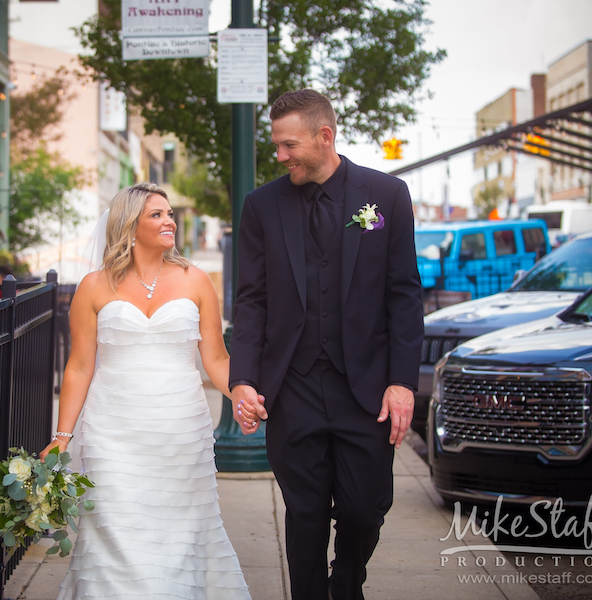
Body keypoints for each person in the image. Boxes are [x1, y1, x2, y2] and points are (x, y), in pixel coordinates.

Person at [230, 89, 424, 600]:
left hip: (366, 390)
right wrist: (244, 379)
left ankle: (347, 582)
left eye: (289, 144)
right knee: (307, 512)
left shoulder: (386, 195)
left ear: (325, 136)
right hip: (291, 389)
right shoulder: (262, 206)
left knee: (365, 508)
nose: (281, 156)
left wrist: (403, 383)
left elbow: (404, 295)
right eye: (276, 146)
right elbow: (251, 301)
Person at [40, 182, 251, 599]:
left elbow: (217, 359)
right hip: (112, 432)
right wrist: (62, 437)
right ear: (129, 225)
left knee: (180, 536)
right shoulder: (93, 287)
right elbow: (80, 366)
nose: (169, 220)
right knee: (113, 534)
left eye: (169, 213)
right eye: (156, 214)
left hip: (180, 431)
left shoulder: (196, 281)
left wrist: (241, 394)